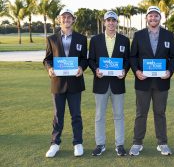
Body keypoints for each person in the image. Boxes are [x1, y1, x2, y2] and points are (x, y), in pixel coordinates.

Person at [129, 6, 174, 156]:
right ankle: (137, 143)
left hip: (161, 82)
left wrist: (169, 71)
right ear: (146, 18)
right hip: (143, 81)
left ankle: (162, 143)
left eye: (156, 16)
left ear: (160, 18)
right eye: (150, 16)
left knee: (160, 113)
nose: (153, 18)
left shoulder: (168, 35)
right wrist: (136, 71)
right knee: (141, 113)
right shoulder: (138, 35)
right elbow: (133, 57)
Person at [43, 8, 88, 158]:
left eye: (69, 17)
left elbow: (84, 59)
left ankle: (78, 143)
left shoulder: (81, 39)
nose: (66, 19)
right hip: (58, 82)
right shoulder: (51, 39)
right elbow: (47, 59)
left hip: (75, 82)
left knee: (76, 115)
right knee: (58, 115)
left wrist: (82, 67)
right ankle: (55, 143)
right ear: (59, 19)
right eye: (64, 17)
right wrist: (49, 69)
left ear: (73, 20)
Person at [88, 11, 130, 156]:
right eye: (108, 20)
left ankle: (119, 145)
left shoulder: (124, 40)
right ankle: (100, 144)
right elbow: (91, 60)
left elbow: (127, 61)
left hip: (118, 84)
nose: (111, 23)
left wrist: (124, 70)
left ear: (117, 22)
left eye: (114, 20)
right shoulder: (95, 40)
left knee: (119, 115)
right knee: (99, 115)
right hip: (101, 83)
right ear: (104, 22)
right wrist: (96, 69)